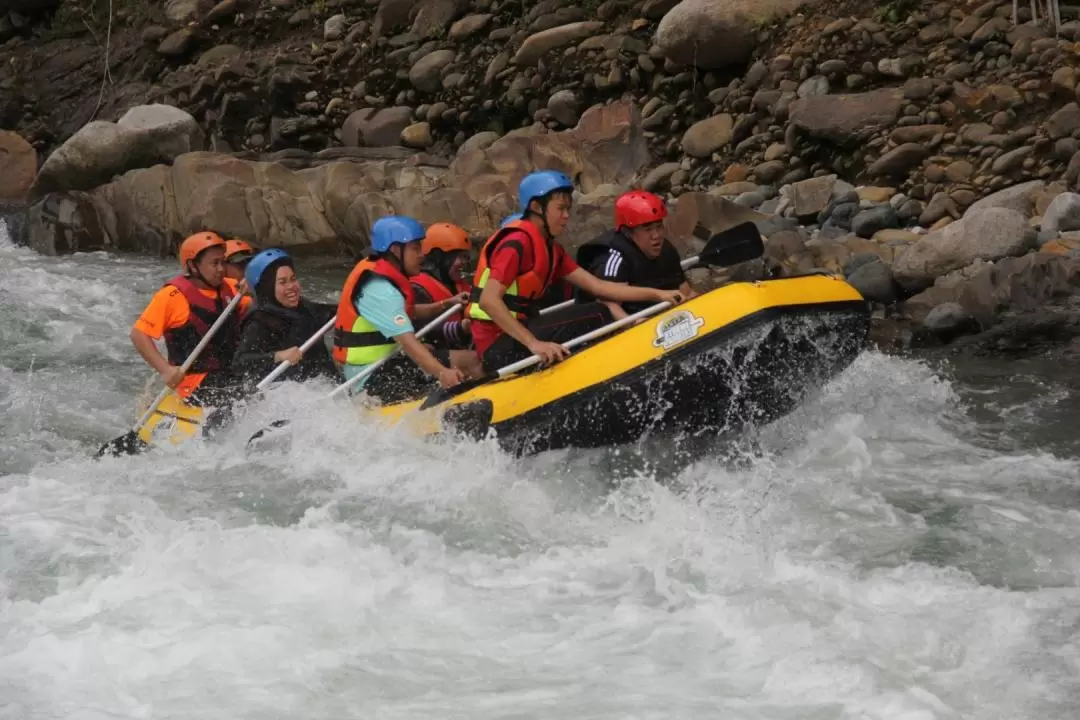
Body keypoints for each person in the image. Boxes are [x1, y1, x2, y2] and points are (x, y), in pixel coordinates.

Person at [467, 171, 684, 372]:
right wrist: (535, 344)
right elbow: (489, 301)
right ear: (536, 207)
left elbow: (598, 286)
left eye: (568, 209)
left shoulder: (552, 250)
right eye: (560, 209)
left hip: (517, 334)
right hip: (497, 345)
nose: (566, 216)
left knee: (597, 308)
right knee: (600, 313)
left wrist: (658, 294)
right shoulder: (516, 243)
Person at [332, 216, 482, 404]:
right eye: (415, 248)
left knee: (471, 360)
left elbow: (410, 311)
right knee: (466, 365)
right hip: (369, 377)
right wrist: (442, 372)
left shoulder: (383, 276)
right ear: (396, 250)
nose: (422, 254)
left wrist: (447, 303)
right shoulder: (381, 289)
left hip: (388, 361)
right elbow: (408, 342)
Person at [130, 231, 252, 405]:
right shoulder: (172, 296)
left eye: (223, 262)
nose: (221, 269)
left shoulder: (233, 288)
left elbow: (261, 306)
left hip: (230, 372)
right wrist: (165, 370)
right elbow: (139, 334)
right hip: (192, 383)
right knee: (238, 391)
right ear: (193, 266)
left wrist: (256, 285)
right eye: (214, 263)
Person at [574, 190, 698, 319]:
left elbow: (685, 291)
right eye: (648, 229)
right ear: (629, 232)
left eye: (659, 227)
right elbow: (608, 304)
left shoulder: (666, 250)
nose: (656, 236)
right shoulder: (613, 257)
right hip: (626, 323)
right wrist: (635, 324)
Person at [232, 248, 339, 387]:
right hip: (283, 393)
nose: (291, 287)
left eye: (293, 279)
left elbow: (337, 312)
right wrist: (278, 356)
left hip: (323, 386)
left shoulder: (305, 308)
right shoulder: (260, 321)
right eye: (282, 282)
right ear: (267, 288)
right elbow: (240, 363)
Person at [410, 222, 474, 350]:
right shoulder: (417, 288)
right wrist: (460, 328)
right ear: (439, 258)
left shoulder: (460, 284)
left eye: (466, 257)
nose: (464, 263)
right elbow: (424, 333)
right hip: (435, 355)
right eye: (459, 257)